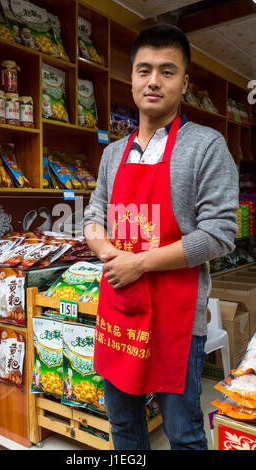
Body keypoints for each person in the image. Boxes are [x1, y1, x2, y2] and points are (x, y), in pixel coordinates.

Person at [83, 24, 239, 450]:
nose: (153, 81)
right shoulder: (113, 153)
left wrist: (139, 263)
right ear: (131, 78)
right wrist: (108, 250)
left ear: (184, 82)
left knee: (184, 433)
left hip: (177, 319)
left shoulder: (206, 146)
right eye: (144, 70)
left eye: (167, 71)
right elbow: (94, 213)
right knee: (124, 426)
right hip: (121, 310)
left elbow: (220, 234)